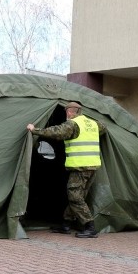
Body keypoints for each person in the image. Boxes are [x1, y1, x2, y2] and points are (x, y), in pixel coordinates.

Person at [27, 100, 106, 238]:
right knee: (77, 196)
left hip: (80, 167)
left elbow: (56, 132)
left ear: (69, 112)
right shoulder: (94, 124)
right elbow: (104, 128)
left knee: (74, 196)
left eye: (66, 113)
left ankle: (90, 226)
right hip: (92, 166)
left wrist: (35, 130)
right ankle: (66, 224)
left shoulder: (72, 124)